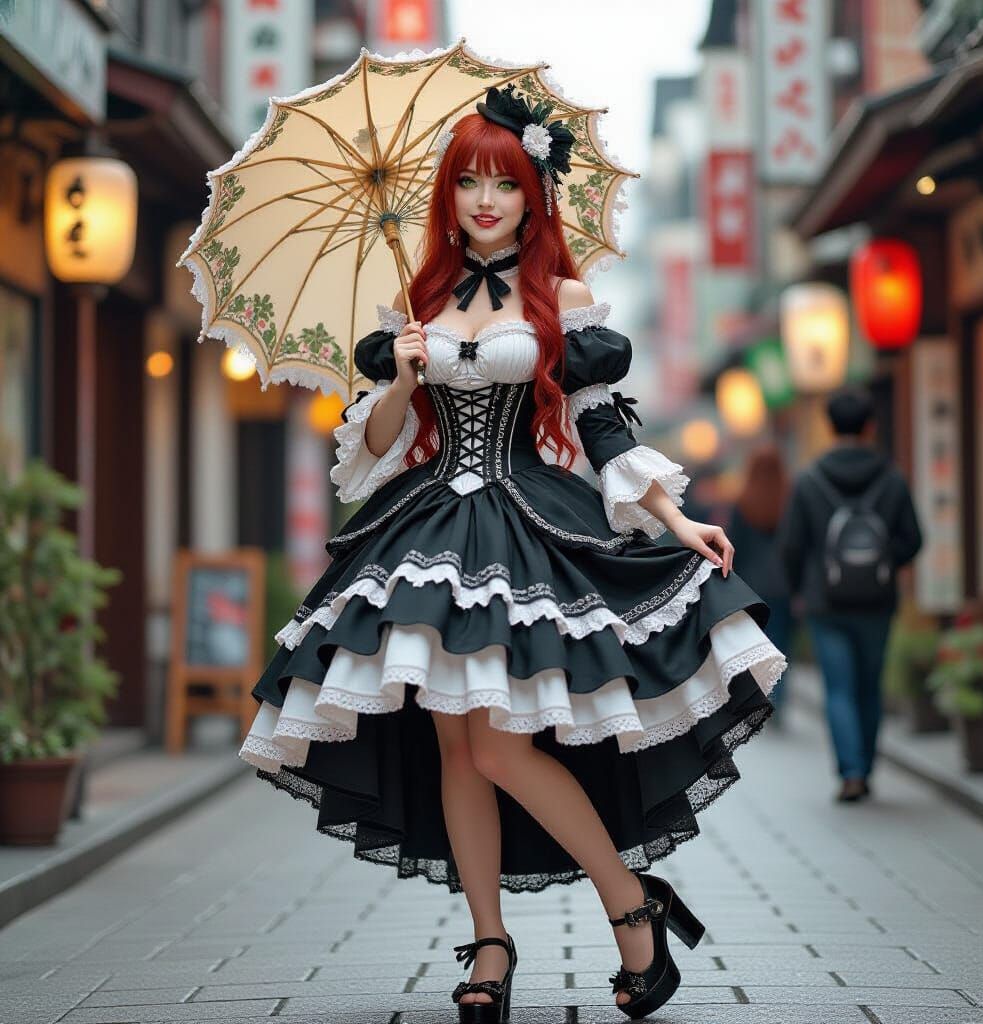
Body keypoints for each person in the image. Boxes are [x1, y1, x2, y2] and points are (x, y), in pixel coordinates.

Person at [238, 84, 786, 1022]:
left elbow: (600, 420)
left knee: (494, 745)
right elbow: (369, 456)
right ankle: (490, 945)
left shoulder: (560, 298)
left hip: (524, 520)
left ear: (534, 194)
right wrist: (403, 375)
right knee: (457, 740)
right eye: (468, 183)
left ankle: (630, 902)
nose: (485, 199)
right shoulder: (411, 305)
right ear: (446, 198)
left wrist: (673, 518)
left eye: (505, 181)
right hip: (426, 525)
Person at [778, 386, 922, 804]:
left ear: (829, 426)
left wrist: (798, 590)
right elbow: (912, 539)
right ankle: (867, 766)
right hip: (877, 602)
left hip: (825, 601)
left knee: (838, 687)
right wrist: (880, 564)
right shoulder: (891, 477)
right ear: (870, 426)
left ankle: (851, 772)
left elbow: (791, 545)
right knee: (869, 686)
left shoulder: (809, 479)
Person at [726, 443, 793, 723]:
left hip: (752, 587)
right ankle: (779, 699)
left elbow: (734, 545)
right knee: (782, 645)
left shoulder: (743, 502)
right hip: (784, 585)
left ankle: (760, 699)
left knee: (756, 645)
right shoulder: (788, 501)